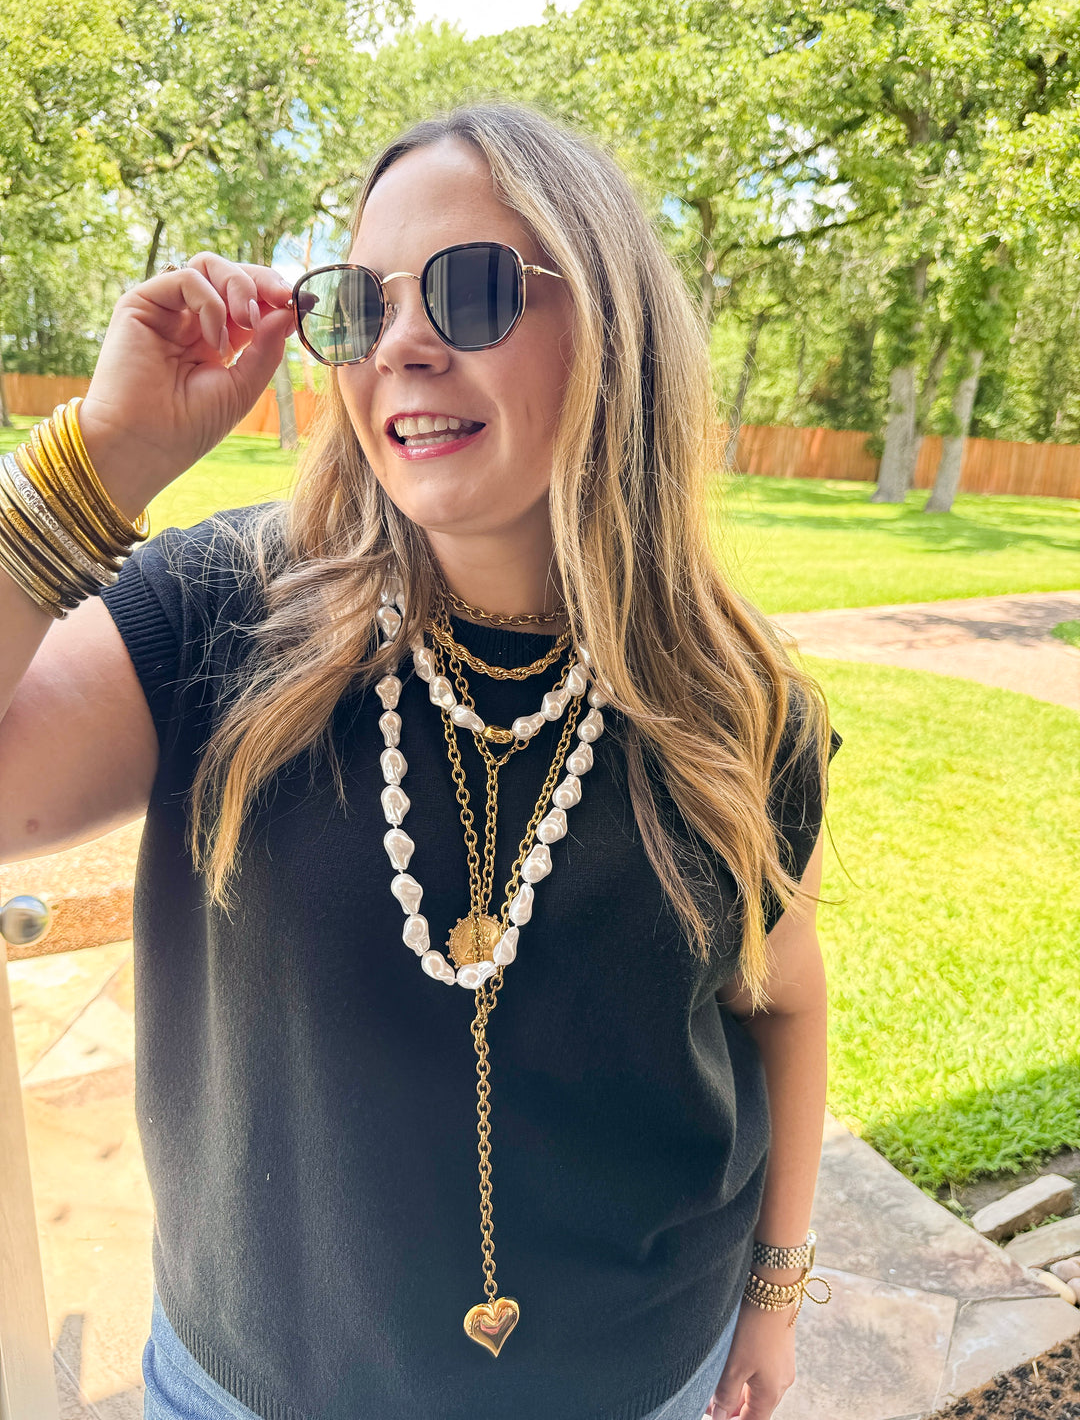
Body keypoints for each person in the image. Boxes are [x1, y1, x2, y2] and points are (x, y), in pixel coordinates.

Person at [0, 101, 841, 1420]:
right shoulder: (224, 612)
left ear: (610, 322)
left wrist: (778, 1296)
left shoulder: (739, 705)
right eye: (358, 302)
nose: (400, 342)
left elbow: (783, 998)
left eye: (471, 288)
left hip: (644, 1385)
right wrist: (101, 462)